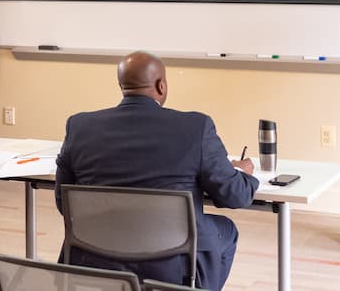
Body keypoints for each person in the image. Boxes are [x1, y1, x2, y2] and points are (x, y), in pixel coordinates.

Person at [55, 51, 259, 290]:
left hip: (95, 258)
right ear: (161, 86)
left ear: (122, 86)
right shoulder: (196, 127)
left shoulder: (80, 126)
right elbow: (235, 196)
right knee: (226, 229)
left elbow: (64, 203)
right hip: (173, 268)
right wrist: (242, 173)